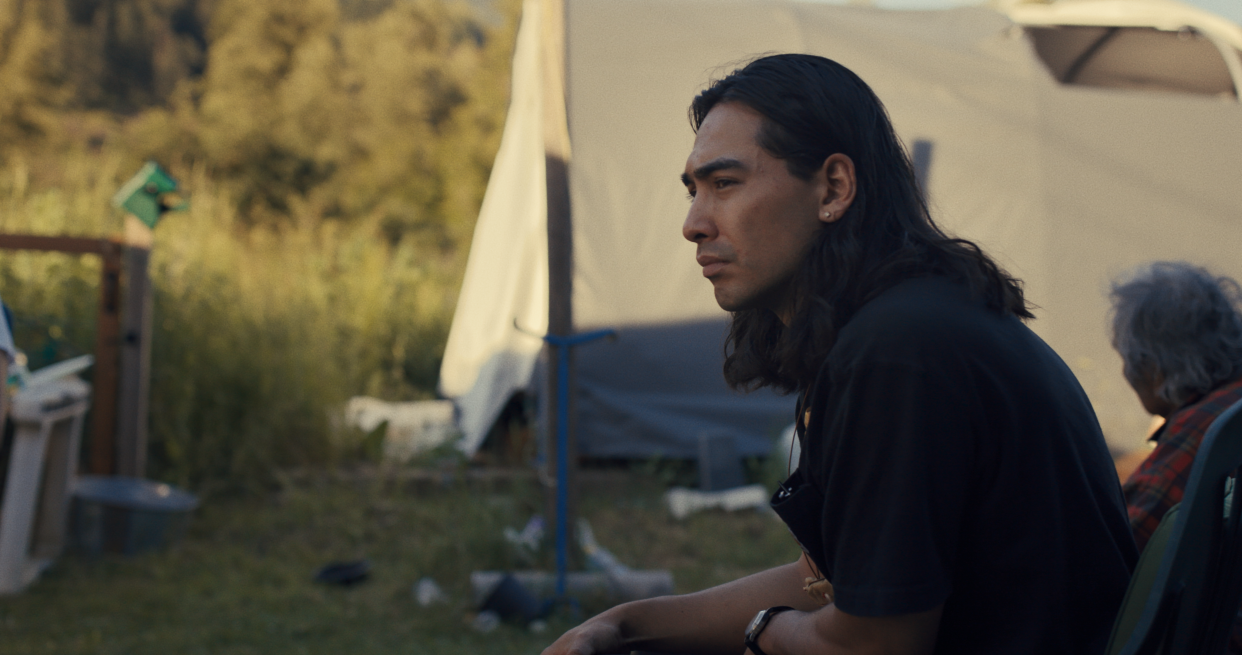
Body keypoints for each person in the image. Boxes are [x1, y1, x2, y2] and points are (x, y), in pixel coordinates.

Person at [542, 54, 1135, 655]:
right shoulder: (912, 321)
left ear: (833, 187)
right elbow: (828, 580)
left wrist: (762, 632)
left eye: (724, 184)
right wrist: (623, 623)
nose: (694, 223)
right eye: (693, 191)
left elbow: (874, 643)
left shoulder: (900, 355)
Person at [1112, 262, 1242, 552]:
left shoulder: (1211, 425)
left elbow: (1122, 544)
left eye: (1126, 358)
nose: (1125, 372)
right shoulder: (1232, 402)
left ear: (1154, 369)